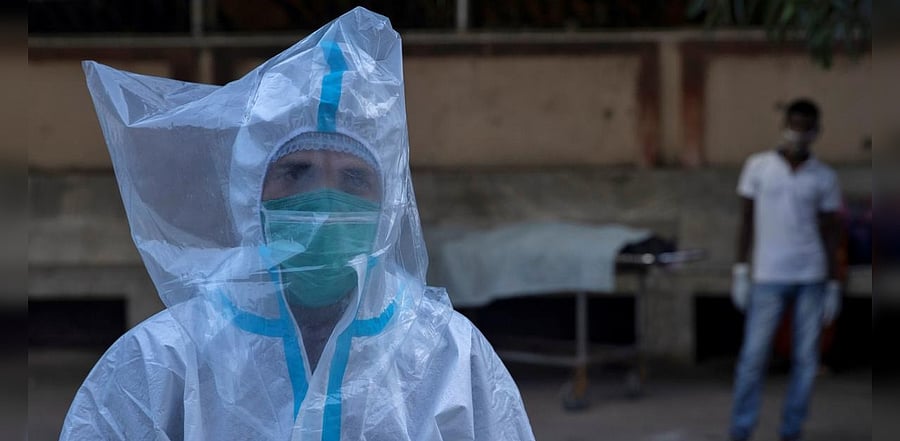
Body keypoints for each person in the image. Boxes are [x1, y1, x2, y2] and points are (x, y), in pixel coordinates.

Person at [61, 8, 535, 441]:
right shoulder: (162, 361)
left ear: (388, 206)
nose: (324, 205)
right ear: (250, 195)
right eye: (295, 172)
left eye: (354, 178)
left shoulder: (448, 357)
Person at [729, 98, 842, 441]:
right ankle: (741, 430)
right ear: (783, 126)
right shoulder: (758, 167)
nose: (798, 133)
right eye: (794, 124)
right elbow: (746, 220)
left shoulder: (824, 177)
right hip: (767, 276)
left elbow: (831, 232)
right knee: (752, 359)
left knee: (806, 363)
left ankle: (791, 430)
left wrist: (835, 282)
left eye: (806, 127)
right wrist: (739, 269)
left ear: (816, 132)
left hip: (811, 276)